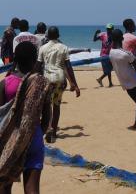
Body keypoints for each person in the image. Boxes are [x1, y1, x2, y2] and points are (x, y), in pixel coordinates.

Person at [0, 41, 51, 194]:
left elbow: (1, 115)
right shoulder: (42, 83)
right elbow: (47, 116)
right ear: (35, 59)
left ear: (15, 59)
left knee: (4, 185)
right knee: (31, 188)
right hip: (33, 137)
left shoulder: (5, 83)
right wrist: (35, 133)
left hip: (9, 140)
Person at [36, 26, 80, 143]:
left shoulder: (43, 48)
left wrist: (34, 79)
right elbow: (68, 67)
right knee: (56, 105)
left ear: (47, 36)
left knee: (46, 106)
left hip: (47, 79)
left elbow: (38, 66)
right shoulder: (63, 47)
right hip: (60, 79)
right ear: (58, 36)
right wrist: (75, 84)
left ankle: (47, 128)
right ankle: (54, 131)